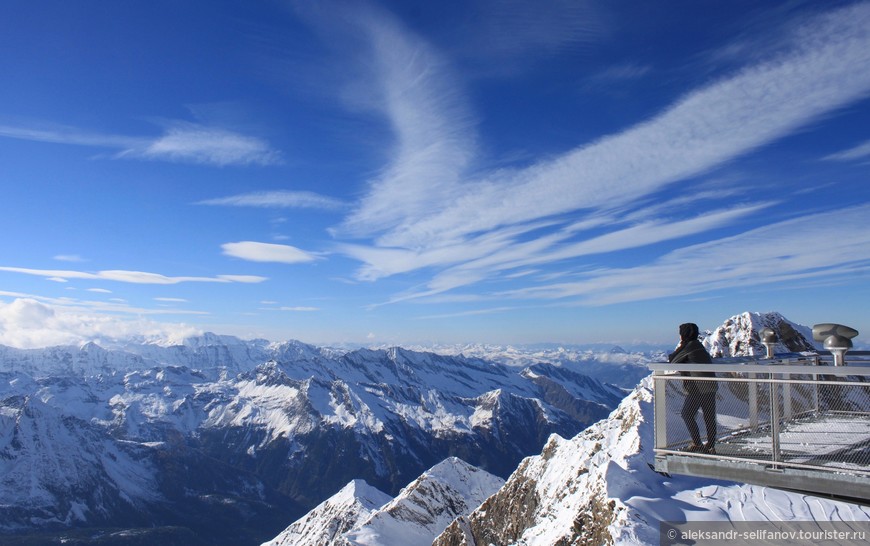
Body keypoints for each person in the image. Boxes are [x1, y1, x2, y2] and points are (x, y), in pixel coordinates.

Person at [668, 322, 717, 454]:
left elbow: (672, 360)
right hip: (711, 385)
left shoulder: (689, 346)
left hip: (698, 387)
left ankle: (697, 442)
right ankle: (711, 445)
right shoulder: (698, 345)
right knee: (709, 416)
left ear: (684, 334)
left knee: (687, 413)